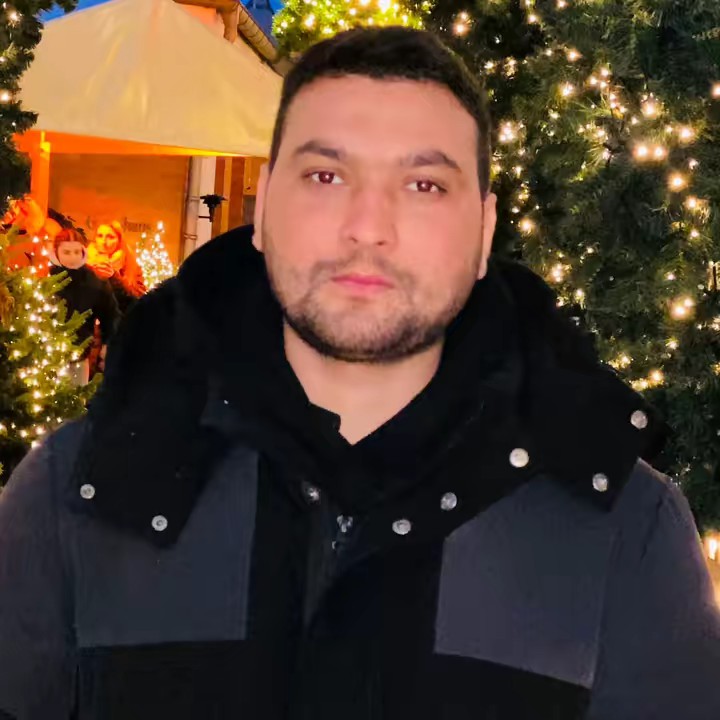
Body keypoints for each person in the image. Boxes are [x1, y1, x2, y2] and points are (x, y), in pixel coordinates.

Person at [0, 27, 718, 720]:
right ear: (263, 209)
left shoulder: (625, 531)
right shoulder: (79, 493)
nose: (368, 225)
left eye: (425, 184)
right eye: (326, 175)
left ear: (484, 232)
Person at [49, 227, 120, 384]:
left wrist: (108, 345)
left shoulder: (95, 283)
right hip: (47, 358)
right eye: (66, 252)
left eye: (77, 252)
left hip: (79, 359)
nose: (72, 257)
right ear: (56, 253)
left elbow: (111, 315)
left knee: (77, 396)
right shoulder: (46, 283)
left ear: (83, 252)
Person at [87, 220, 146, 313]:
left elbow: (137, 300)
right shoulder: (86, 262)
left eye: (110, 237)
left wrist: (114, 277)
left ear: (119, 240)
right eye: (100, 236)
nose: (104, 242)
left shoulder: (131, 265)